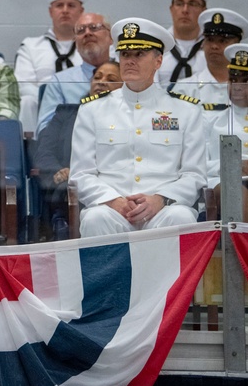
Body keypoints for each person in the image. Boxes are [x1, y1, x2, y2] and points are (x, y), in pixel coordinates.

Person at [70, 18, 206, 237]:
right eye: (125, 54)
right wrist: (114, 201)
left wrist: (159, 200)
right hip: (112, 208)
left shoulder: (186, 110)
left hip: (164, 208)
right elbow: (81, 174)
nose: (130, 61)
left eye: (139, 54)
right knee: (95, 218)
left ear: (158, 61)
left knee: (181, 216)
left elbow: (194, 174)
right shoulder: (92, 110)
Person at [34, 61, 123, 238]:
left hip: (119, 190)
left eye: (111, 79)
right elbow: (44, 153)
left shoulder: (131, 119)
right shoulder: (66, 114)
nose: (101, 82)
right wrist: (68, 172)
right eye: (97, 77)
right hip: (72, 190)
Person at [13, 0, 89, 133]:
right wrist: (53, 98)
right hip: (42, 106)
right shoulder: (30, 46)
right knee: (27, 101)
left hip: (84, 105)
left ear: (81, 12)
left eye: (71, 6)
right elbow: (22, 84)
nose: (65, 10)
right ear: (50, 11)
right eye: (59, 5)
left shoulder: (93, 46)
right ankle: (30, 149)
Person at [204, 44, 248, 224]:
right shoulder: (210, 120)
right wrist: (228, 167)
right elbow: (197, 164)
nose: (237, 86)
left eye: (246, 81)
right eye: (233, 80)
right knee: (235, 194)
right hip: (223, 182)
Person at [35, 12, 114, 134]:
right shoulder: (60, 82)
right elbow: (45, 129)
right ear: (75, 42)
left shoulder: (126, 75)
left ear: (111, 37)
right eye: (80, 31)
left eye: (94, 28)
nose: (87, 33)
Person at [173, 8, 248, 106]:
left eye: (222, 41)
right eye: (210, 39)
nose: (214, 46)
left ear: (236, 45)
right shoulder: (184, 88)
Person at [159, 0, 212, 85]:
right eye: (179, 3)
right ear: (171, 9)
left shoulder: (213, 47)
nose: (185, 10)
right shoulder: (158, 45)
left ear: (203, 11)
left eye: (193, 4)